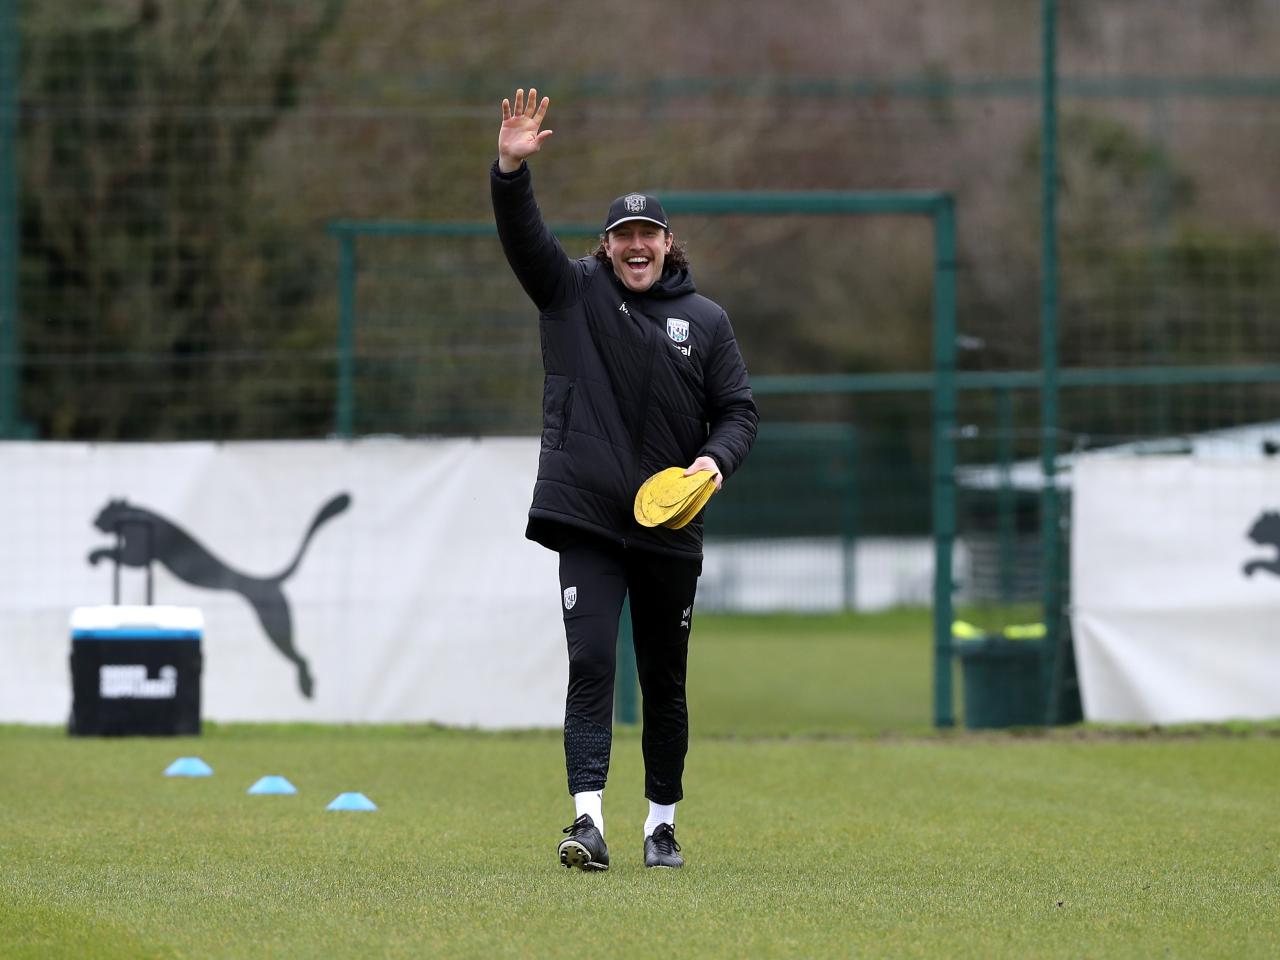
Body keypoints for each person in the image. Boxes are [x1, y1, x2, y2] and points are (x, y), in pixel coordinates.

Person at [491, 88, 757, 871]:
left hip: (670, 528)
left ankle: (661, 826)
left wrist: (715, 459)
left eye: (647, 233)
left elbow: (738, 411)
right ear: (606, 247)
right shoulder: (572, 295)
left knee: (666, 682)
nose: (635, 246)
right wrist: (510, 169)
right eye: (622, 236)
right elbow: (523, 241)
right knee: (594, 663)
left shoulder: (706, 322)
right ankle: (586, 822)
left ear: (669, 243)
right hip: (591, 520)